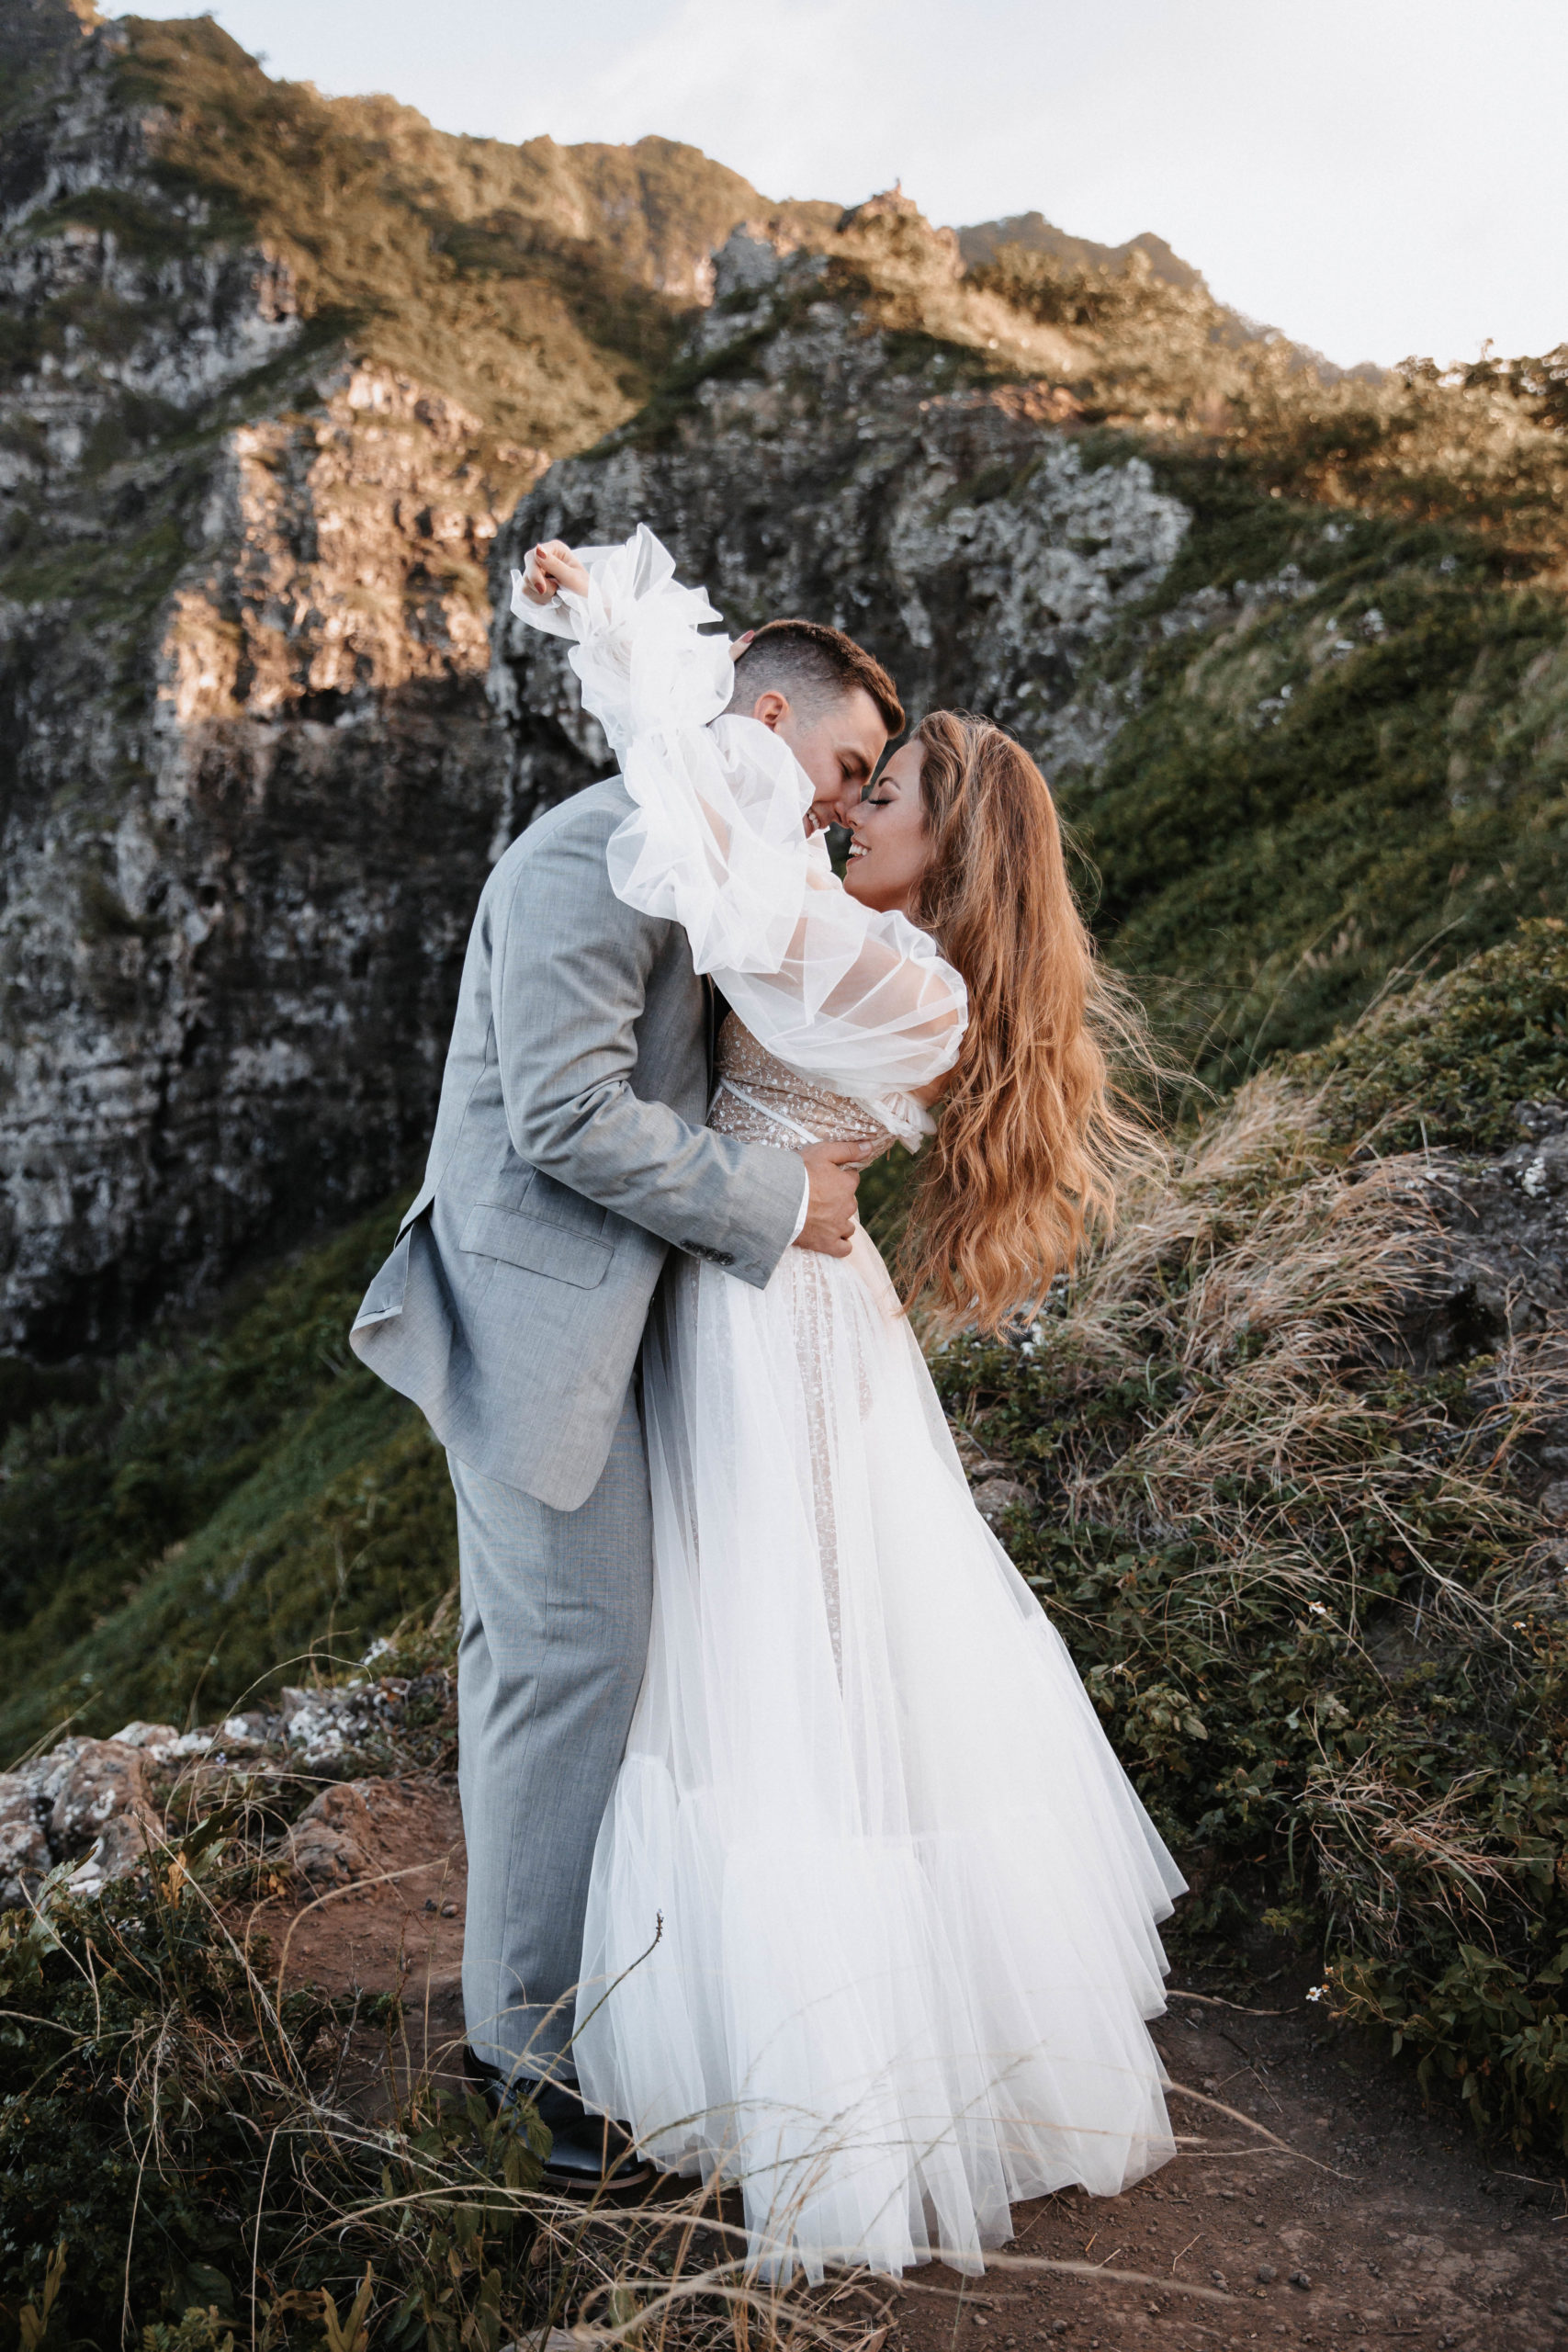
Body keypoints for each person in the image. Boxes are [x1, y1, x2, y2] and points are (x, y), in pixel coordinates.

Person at [512, 526, 1186, 2278]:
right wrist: (620, 623)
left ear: (948, 849)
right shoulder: (832, 920)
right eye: (851, 781)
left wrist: (665, 671)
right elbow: (717, 796)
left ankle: (838, 2089)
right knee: (767, 1655)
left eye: (880, 799)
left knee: (794, 1662)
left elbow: (711, 840)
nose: (845, 810)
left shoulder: (902, 977)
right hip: (747, 1293)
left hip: (784, 1332)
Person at [349, 546, 905, 2186]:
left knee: (556, 1665)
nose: (841, 803)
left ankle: (547, 2015)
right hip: (531, 1332)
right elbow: (568, 1117)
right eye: (847, 769)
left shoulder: (698, 856)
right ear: (773, 713)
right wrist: (780, 1199)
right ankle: (524, 2062)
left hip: (618, 1332)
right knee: (566, 1667)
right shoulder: (597, 851)